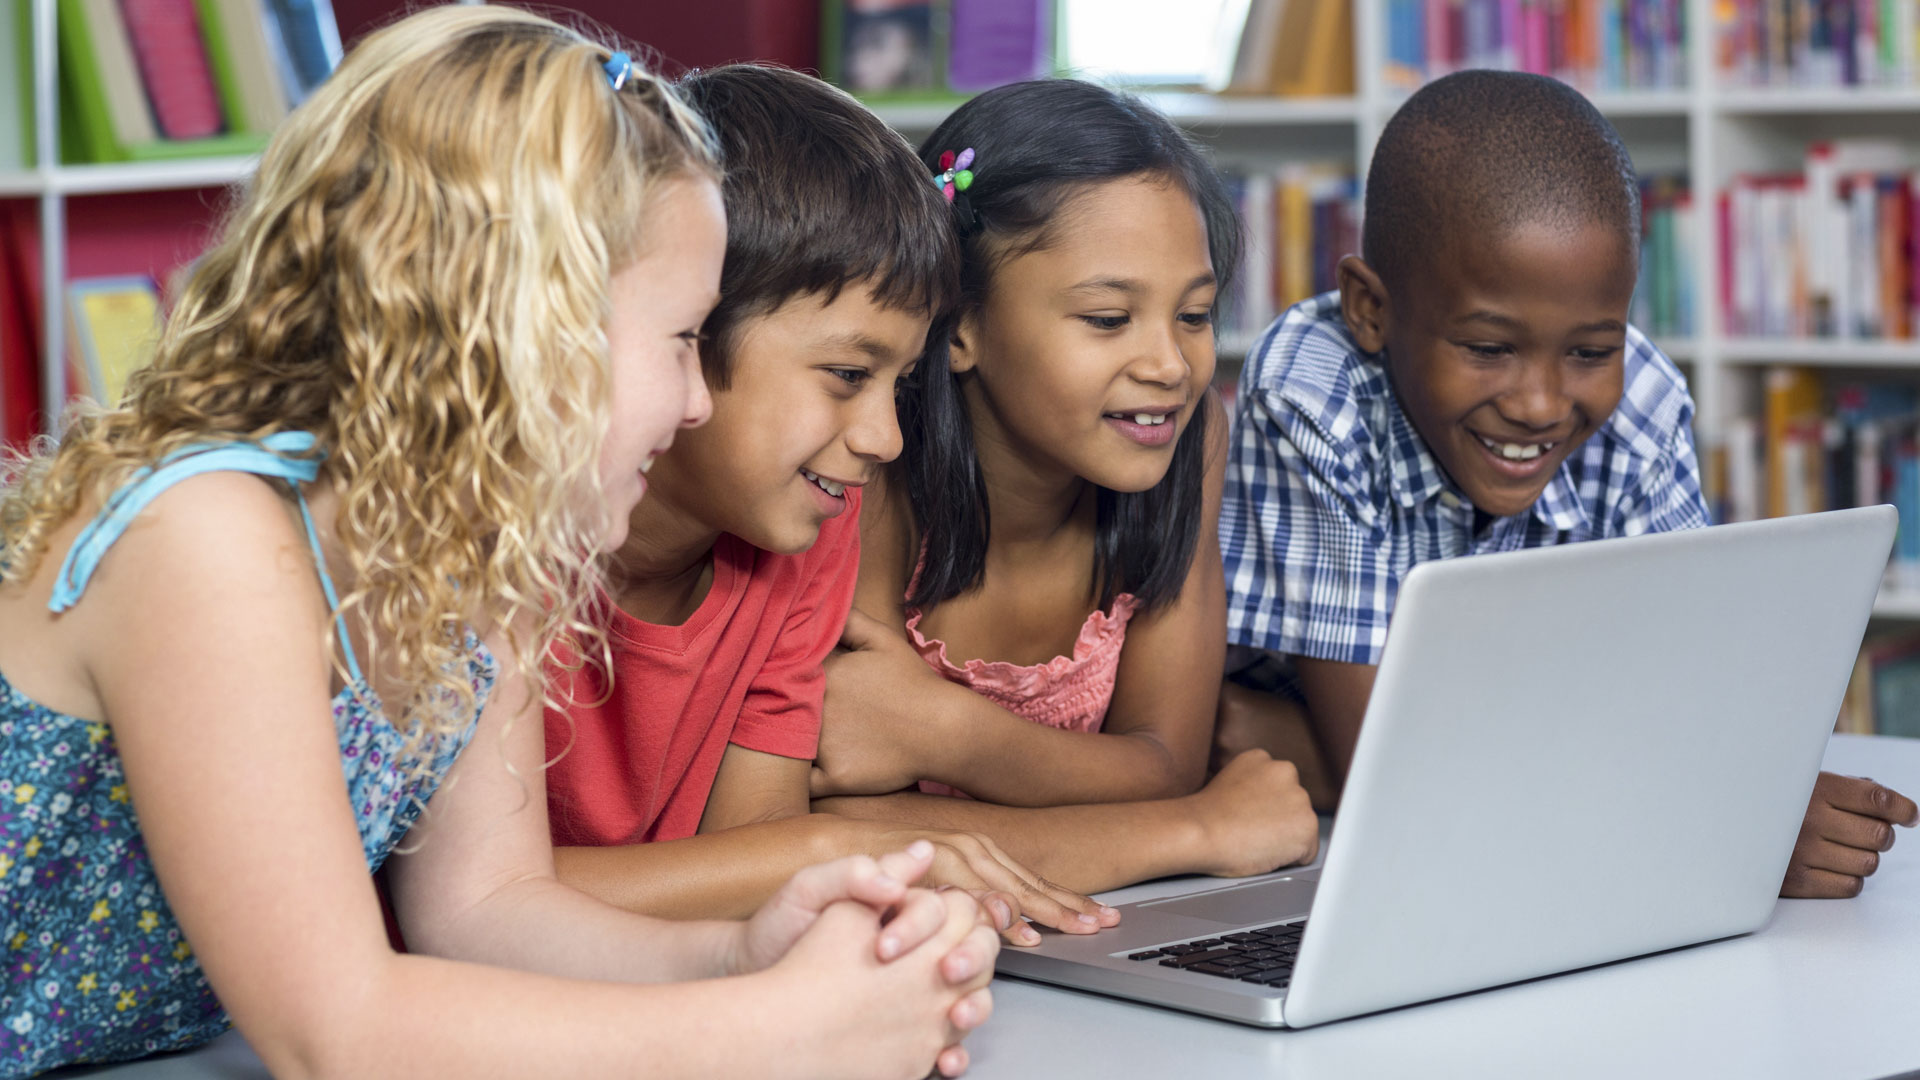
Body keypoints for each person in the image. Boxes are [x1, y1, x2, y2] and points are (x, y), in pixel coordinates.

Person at [0, 10, 993, 1076]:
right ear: (531, 327)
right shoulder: (206, 539)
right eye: (678, 341)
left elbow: (487, 910)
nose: (697, 404)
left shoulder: (472, 551)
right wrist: (784, 1034)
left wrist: (744, 952)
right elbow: (336, 1031)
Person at [1217, 69, 1919, 900]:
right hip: (1360, 865)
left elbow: (1687, 701)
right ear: (1371, 309)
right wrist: (1724, 827)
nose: (1541, 404)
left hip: (1487, 800)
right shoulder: (1311, 394)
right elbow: (1379, 769)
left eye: (1590, 352)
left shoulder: (1644, 404)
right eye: (1487, 348)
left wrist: (1685, 776)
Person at [543, 63, 1115, 943]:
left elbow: (752, 860)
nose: (885, 438)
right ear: (690, 331)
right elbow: (482, 898)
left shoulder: (813, 528)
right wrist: (843, 847)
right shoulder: (505, 546)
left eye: (901, 382)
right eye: (848, 375)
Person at [813, 79, 1320, 899]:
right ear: (961, 324)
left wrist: (944, 732)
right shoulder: (873, 469)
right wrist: (1195, 832)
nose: (1169, 366)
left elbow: (1166, 762)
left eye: (1193, 317)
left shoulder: (1188, 440)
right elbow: (832, 833)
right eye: (1108, 319)